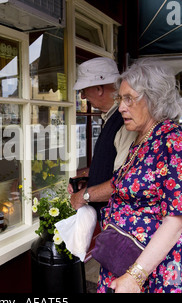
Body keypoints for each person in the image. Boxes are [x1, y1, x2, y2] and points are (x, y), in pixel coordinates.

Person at [96, 58, 182, 293]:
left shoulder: (174, 142)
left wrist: (135, 276)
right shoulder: (143, 139)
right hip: (123, 258)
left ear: (154, 99)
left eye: (129, 99)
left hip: (149, 271)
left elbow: (176, 220)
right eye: (120, 99)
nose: (121, 107)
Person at [68, 57, 136, 215]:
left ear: (99, 88)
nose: (83, 96)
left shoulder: (125, 122)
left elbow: (124, 181)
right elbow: (110, 166)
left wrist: (84, 196)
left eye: (84, 90)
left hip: (121, 224)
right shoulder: (112, 118)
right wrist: (89, 177)